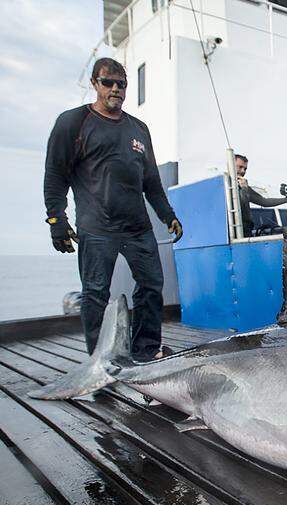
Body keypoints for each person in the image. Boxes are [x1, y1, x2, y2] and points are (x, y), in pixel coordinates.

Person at [43, 57, 183, 361]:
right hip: (96, 228)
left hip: (137, 228)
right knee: (95, 295)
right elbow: (55, 175)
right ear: (95, 84)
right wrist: (57, 219)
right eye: (108, 82)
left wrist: (167, 215)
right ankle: (100, 360)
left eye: (122, 84)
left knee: (150, 287)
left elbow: (151, 182)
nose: (115, 89)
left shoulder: (139, 129)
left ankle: (145, 350)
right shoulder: (73, 122)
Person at [234, 154, 287, 237]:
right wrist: (243, 190)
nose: (243, 171)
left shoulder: (245, 187)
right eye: (240, 167)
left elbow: (264, 201)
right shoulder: (223, 187)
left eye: (245, 169)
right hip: (232, 233)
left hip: (246, 231)